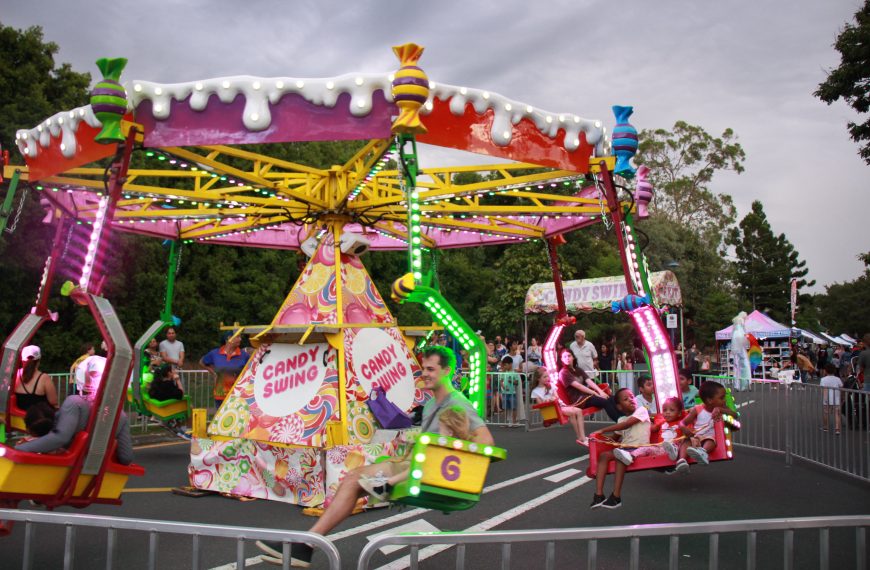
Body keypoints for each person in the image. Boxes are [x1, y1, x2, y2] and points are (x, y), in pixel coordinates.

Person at [255, 345, 495, 567]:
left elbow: (485, 442)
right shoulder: (432, 404)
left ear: (447, 370)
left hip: (430, 469)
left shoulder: (459, 403)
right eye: (423, 368)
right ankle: (306, 544)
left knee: (352, 481)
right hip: (412, 464)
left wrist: (447, 452)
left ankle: (307, 544)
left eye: (431, 369)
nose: (425, 373)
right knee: (352, 479)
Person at [16, 357, 134, 465]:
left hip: (64, 469)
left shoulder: (75, 403)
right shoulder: (120, 416)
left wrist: (21, 449)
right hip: (90, 472)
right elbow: (126, 457)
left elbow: (60, 438)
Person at [359, 405, 472, 500]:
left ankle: (388, 484)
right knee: (419, 461)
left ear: (450, 432)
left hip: (435, 480)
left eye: (441, 429)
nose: (439, 432)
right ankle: (384, 480)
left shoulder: (445, 446)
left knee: (419, 464)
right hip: (451, 481)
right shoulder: (466, 447)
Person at [589, 388, 650, 509]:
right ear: (620, 407)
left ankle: (616, 496)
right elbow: (614, 439)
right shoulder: (621, 419)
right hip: (625, 449)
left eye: (632, 397)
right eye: (626, 399)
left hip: (639, 449)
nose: (631, 400)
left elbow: (627, 424)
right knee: (604, 456)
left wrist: (603, 430)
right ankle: (599, 494)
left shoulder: (641, 411)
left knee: (620, 457)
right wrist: (596, 439)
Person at [674, 380, 736, 472]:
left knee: (710, 440)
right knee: (686, 441)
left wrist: (721, 409)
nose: (724, 400)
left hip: (710, 438)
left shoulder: (722, 408)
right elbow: (682, 423)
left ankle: (702, 452)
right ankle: (681, 460)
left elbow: (735, 415)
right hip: (696, 437)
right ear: (710, 400)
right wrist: (684, 428)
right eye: (722, 398)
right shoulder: (697, 409)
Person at [530, 366, 588, 445]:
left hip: (560, 405)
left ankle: (580, 436)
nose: (547, 378)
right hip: (552, 409)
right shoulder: (536, 391)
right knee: (578, 412)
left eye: (547, 376)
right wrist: (547, 401)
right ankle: (582, 437)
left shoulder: (551, 386)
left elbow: (556, 397)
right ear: (538, 379)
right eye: (544, 377)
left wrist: (553, 398)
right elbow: (540, 404)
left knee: (575, 414)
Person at [557, 349, 619, 422]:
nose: (567, 358)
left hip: (586, 396)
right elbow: (579, 386)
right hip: (578, 400)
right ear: (561, 359)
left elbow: (589, 381)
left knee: (611, 398)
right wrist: (596, 393)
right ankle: (620, 422)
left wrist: (600, 391)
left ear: (573, 357)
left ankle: (624, 419)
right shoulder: (563, 373)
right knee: (605, 401)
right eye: (564, 357)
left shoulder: (578, 369)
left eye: (569, 356)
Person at [200, 331, 251, 408]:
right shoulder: (215, 353)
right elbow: (201, 362)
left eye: (240, 337)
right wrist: (213, 373)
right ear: (229, 338)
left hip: (237, 395)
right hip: (220, 394)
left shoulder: (244, 355)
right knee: (220, 419)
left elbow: (252, 369)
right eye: (238, 337)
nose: (240, 339)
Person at [14, 345, 58, 411]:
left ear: (22, 360)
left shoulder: (15, 375)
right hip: (38, 419)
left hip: (17, 419)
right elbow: (54, 402)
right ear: (39, 360)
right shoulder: (44, 378)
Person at [819, 362, 843, 435]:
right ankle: (837, 429)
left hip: (827, 398)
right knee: (837, 413)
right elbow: (841, 386)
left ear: (825, 371)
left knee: (826, 413)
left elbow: (824, 389)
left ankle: (826, 427)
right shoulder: (837, 379)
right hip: (836, 398)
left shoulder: (823, 379)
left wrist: (825, 399)